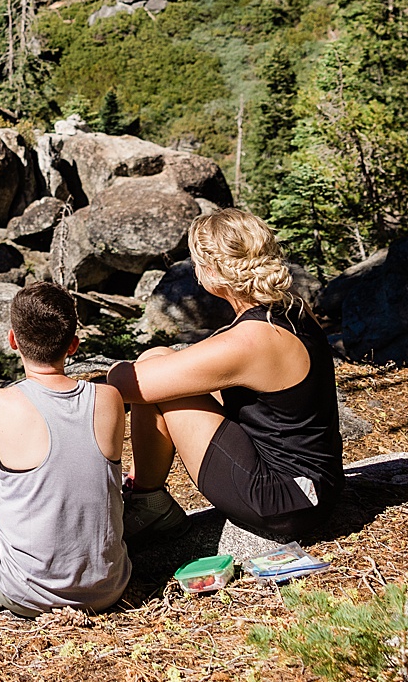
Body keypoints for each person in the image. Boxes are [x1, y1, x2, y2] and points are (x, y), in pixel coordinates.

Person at [105, 208, 345, 545]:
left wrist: (107, 373)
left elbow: (127, 384)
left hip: (284, 500)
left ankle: (148, 503)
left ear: (213, 273)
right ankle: (148, 499)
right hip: (315, 488)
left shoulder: (249, 342)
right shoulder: (292, 312)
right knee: (158, 361)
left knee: (153, 373)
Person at [0, 281, 130, 615]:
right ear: (73, 345)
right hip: (108, 586)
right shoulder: (108, 398)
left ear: (12, 341)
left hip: (26, 592)